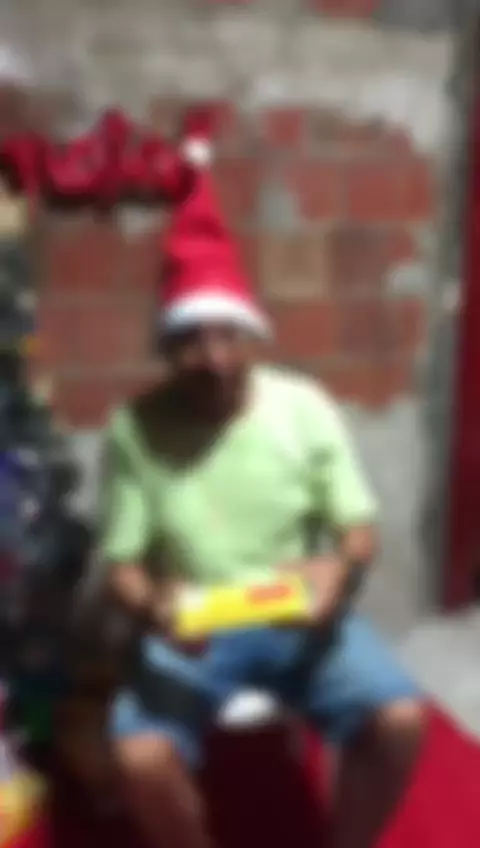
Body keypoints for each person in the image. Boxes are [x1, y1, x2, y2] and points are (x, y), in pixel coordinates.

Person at [99, 138, 426, 848]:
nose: (215, 360)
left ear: (253, 337)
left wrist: (340, 569)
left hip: (295, 612)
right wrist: (152, 603)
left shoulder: (303, 406)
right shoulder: (135, 427)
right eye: (192, 340)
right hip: (195, 625)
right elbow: (120, 563)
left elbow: (358, 526)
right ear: (167, 349)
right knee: (139, 758)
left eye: (229, 337)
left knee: (400, 720)